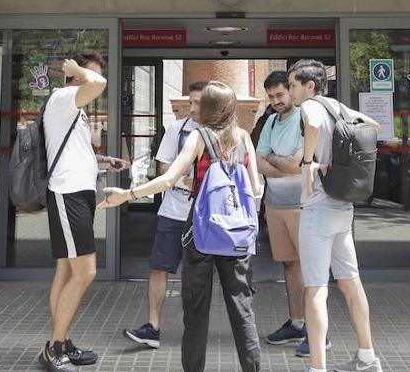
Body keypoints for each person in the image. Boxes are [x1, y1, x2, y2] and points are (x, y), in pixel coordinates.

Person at [100, 81, 263, 372]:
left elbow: (168, 179)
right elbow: (255, 189)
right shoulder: (243, 138)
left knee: (196, 311)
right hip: (237, 235)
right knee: (242, 310)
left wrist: (129, 194)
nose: (193, 108)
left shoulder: (199, 137)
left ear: (211, 107)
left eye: (200, 104)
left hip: (201, 231)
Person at [290, 59, 383, 372]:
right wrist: (334, 164)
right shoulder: (340, 107)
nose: (290, 92)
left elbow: (313, 125)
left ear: (310, 86)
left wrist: (308, 162)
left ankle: (317, 368)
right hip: (344, 209)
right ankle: (367, 358)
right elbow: (374, 127)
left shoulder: (312, 106)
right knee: (351, 284)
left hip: (318, 209)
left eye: (293, 85)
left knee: (315, 289)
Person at [40, 52, 128, 371]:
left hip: (77, 192)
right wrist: (78, 70)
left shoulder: (72, 108)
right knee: (86, 272)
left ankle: (60, 342)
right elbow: (99, 83)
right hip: (68, 194)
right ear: (75, 75)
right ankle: (54, 347)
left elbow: (74, 149)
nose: (95, 78)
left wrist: (104, 161)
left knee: (66, 272)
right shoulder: (63, 96)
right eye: (89, 72)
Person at [123, 81, 205, 348]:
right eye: (190, 102)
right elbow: (163, 168)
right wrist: (184, 178)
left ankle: (194, 331)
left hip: (206, 216)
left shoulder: (224, 133)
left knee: (200, 275)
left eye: (198, 103)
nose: (192, 108)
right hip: (173, 211)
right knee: (159, 267)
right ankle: (153, 327)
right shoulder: (176, 129)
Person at [254, 71, 310, 350]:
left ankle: (316, 331)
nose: (276, 101)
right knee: (289, 265)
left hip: (303, 206)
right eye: (271, 97)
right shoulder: (271, 122)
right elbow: (257, 161)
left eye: (280, 95)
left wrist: (276, 163)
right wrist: (282, 164)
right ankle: (296, 324)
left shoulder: (304, 118)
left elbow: (296, 167)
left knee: (309, 267)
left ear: (290, 91)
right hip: (274, 205)